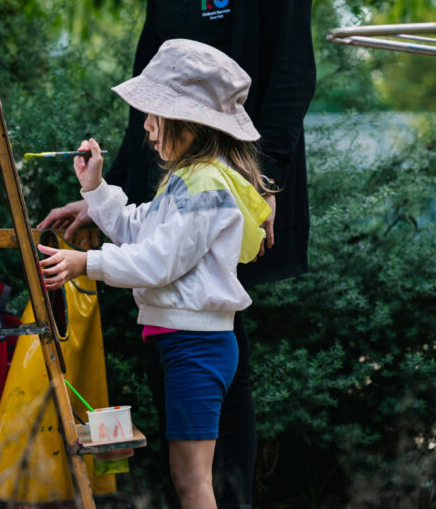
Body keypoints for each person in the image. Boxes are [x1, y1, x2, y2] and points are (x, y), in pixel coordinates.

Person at [38, 0, 316, 506]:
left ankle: (223, 495)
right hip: (174, 185)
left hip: (241, 184)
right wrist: (107, 196)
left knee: (217, 328)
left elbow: (292, 73)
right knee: (180, 333)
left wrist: (265, 179)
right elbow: (148, 100)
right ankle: (201, 494)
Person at [38, 38, 271, 509]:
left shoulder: (205, 184)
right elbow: (136, 229)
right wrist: (96, 188)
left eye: (154, 112)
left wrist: (88, 263)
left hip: (196, 347)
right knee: (186, 476)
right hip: (182, 343)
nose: (146, 125)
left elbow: (158, 262)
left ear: (190, 121)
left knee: (192, 480)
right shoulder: (187, 179)